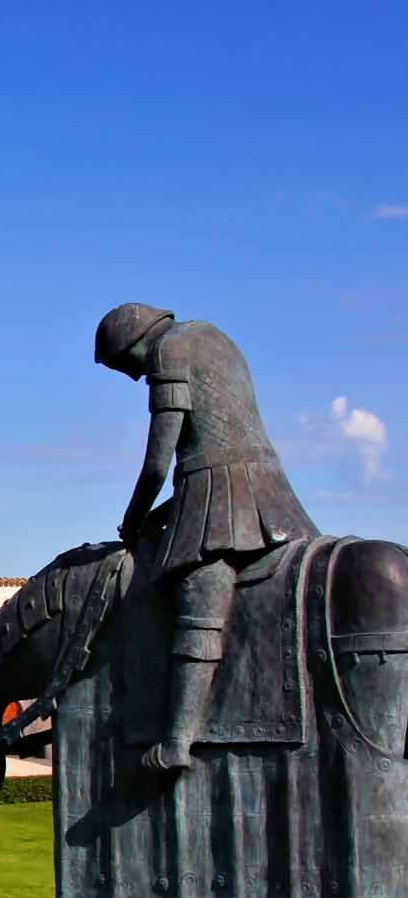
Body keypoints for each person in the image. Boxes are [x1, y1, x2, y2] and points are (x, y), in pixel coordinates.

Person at [94, 304, 317, 773]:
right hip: (266, 488)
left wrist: (133, 518)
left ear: (132, 344)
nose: (137, 376)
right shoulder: (213, 336)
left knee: (199, 603)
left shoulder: (168, 350)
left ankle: (178, 740)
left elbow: (158, 462)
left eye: (127, 366)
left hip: (221, 496)